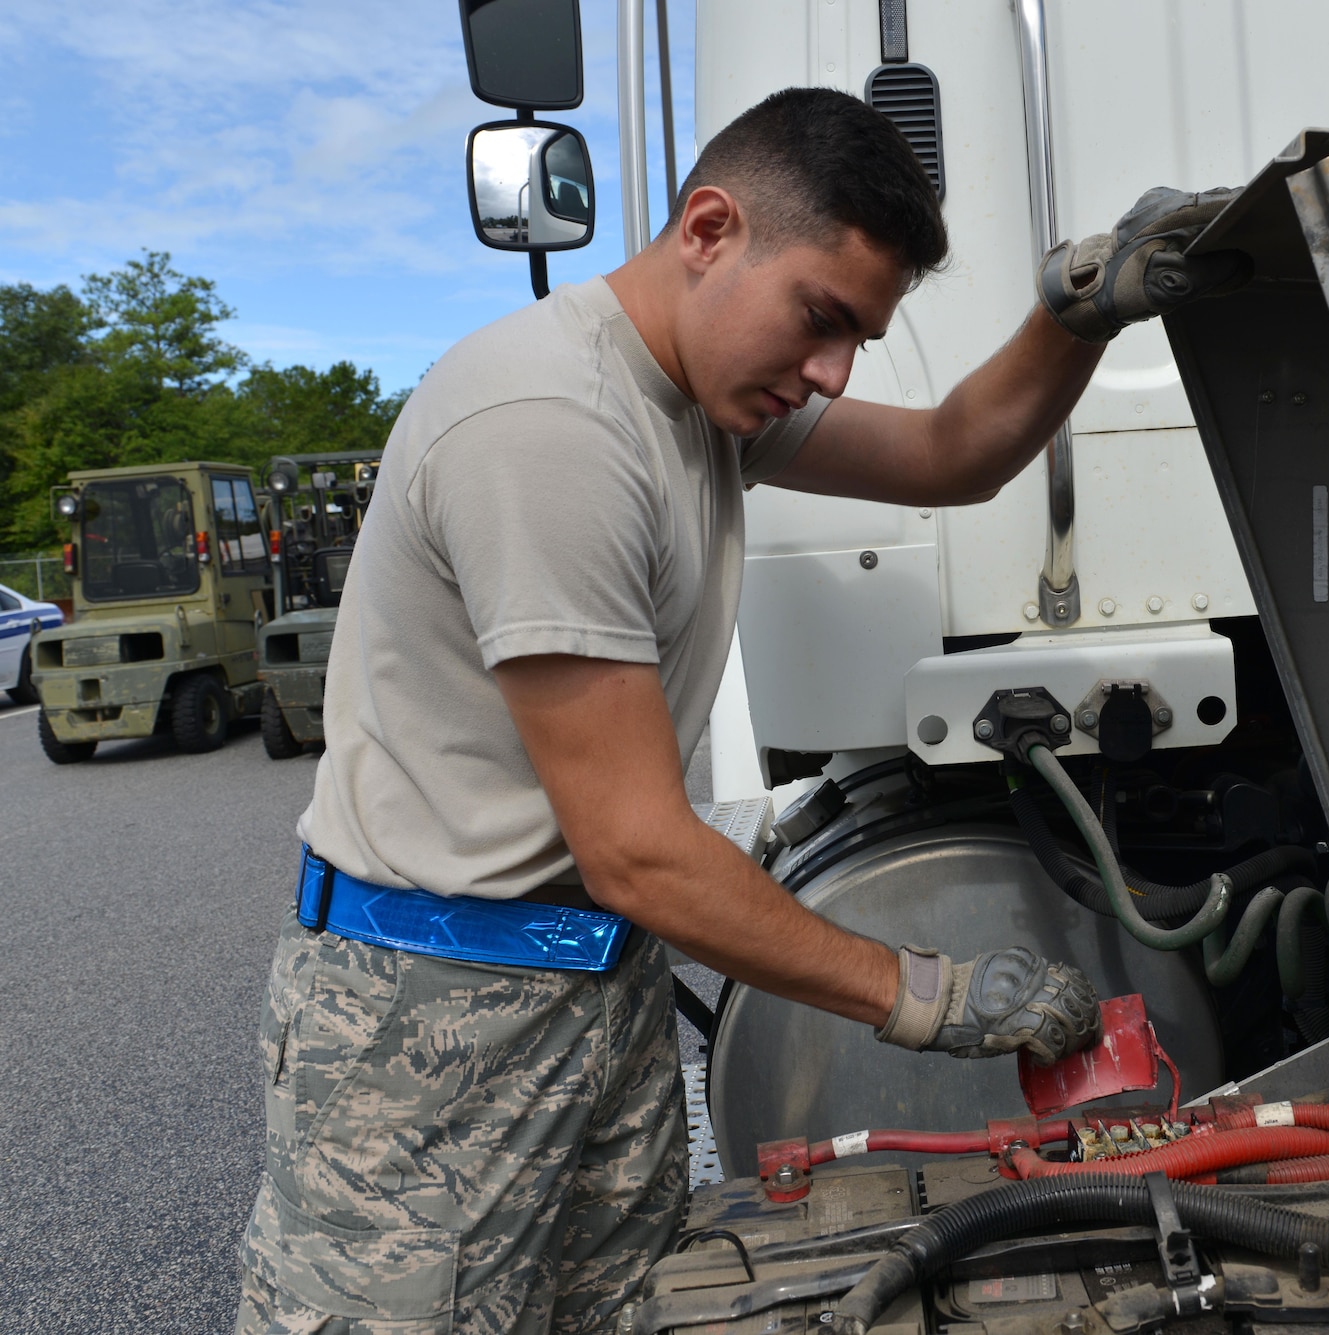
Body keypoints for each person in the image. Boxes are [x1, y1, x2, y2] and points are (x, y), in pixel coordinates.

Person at [236, 86, 1244, 1334]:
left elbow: (948, 453)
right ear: (709, 229)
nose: (829, 370)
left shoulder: (697, 403)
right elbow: (640, 852)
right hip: (432, 1027)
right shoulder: (553, 426)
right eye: (820, 318)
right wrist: (926, 994)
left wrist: (1077, 313)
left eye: (857, 340)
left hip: (593, 993)